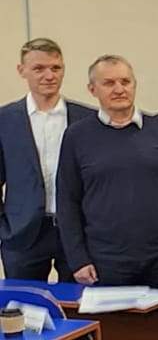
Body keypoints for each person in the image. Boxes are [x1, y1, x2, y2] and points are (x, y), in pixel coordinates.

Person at [57, 56, 158, 337]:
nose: (119, 89)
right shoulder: (76, 136)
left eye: (125, 81)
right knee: (118, 333)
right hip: (106, 263)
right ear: (92, 89)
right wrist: (78, 259)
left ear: (134, 85)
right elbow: (67, 201)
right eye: (109, 83)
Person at [0, 38, 95, 282]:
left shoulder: (87, 119)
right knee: (23, 302)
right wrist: (4, 227)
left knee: (78, 300)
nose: (49, 76)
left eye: (55, 68)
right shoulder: (5, 120)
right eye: (39, 68)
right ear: (22, 70)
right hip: (22, 233)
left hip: (78, 231)